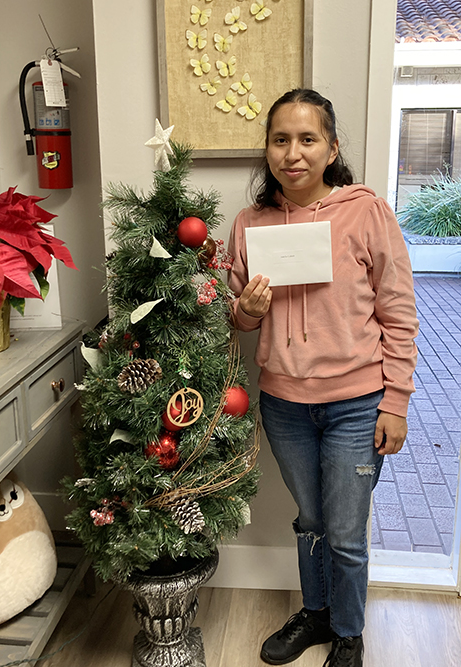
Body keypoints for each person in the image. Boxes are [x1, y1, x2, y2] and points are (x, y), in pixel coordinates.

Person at [227, 89, 419, 667]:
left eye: (308, 139)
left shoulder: (365, 213)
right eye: (280, 139)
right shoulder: (250, 223)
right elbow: (236, 312)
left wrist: (397, 401)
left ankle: (350, 633)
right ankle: (316, 613)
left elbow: (399, 311)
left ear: (332, 148)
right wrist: (250, 312)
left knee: (345, 530)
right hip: (284, 403)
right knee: (310, 519)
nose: (293, 153)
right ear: (267, 150)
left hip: (358, 404)